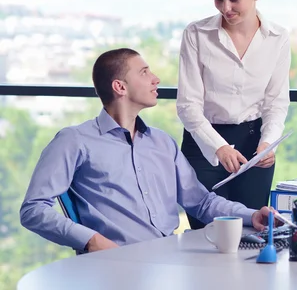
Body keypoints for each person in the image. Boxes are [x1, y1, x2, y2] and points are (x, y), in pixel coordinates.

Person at [20, 48, 275, 253]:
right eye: (144, 72)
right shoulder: (74, 141)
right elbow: (33, 209)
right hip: (116, 266)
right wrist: (92, 241)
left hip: (170, 261)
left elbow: (201, 203)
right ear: (120, 87)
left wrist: (252, 215)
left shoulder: (162, 143)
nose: (156, 79)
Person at [177, 0, 291, 229]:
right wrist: (220, 147)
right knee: (208, 233)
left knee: (253, 231)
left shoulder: (277, 38)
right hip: (203, 144)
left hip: (254, 145)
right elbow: (187, 106)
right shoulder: (196, 34)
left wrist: (268, 144)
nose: (225, 7)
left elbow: (276, 102)